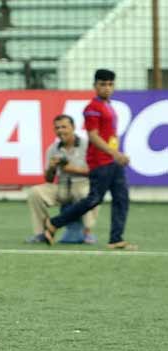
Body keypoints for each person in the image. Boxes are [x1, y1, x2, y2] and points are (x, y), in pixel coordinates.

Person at [44, 69, 136, 250]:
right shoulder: (92, 108)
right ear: (95, 86)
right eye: (102, 84)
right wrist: (115, 153)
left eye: (110, 84)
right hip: (100, 161)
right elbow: (93, 136)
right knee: (93, 199)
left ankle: (116, 239)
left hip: (111, 160)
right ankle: (54, 223)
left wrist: (115, 154)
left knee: (121, 199)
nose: (107, 88)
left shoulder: (108, 106)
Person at [26, 115, 97, 244]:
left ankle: (87, 233)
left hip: (82, 184)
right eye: (57, 128)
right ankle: (42, 233)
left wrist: (71, 169)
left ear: (73, 127)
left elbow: (96, 172)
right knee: (35, 192)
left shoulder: (87, 145)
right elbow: (48, 179)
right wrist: (51, 168)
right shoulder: (52, 149)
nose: (60, 130)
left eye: (64, 127)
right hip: (62, 186)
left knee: (90, 193)